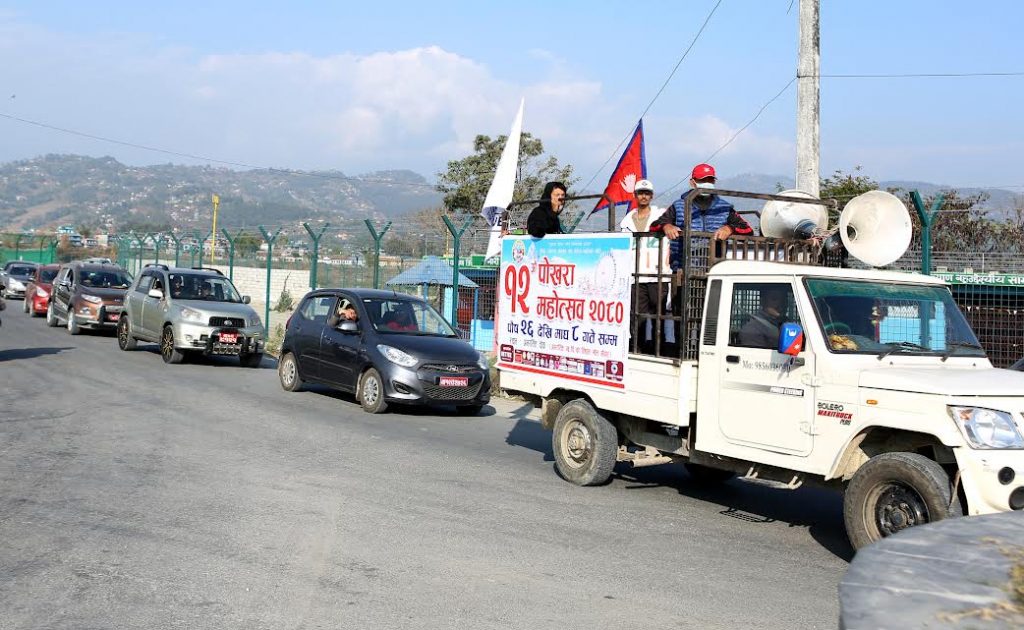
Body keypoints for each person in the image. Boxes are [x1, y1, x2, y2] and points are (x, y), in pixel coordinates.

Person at [651, 163, 754, 269]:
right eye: (702, 180)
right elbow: (654, 226)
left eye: (710, 180)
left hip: (714, 270)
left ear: (714, 182)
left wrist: (729, 228)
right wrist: (666, 226)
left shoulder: (724, 207)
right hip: (683, 270)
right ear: (692, 183)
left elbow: (748, 230)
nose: (706, 183)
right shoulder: (678, 206)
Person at [619, 179, 671, 354]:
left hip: (658, 274)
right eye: (641, 193)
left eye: (647, 193)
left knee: (659, 316)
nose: (644, 196)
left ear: (652, 196)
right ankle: (637, 348)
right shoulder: (626, 221)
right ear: (635, 195)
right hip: (635, 275)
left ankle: (659, 349)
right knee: (637, 316)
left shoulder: (661, 215)